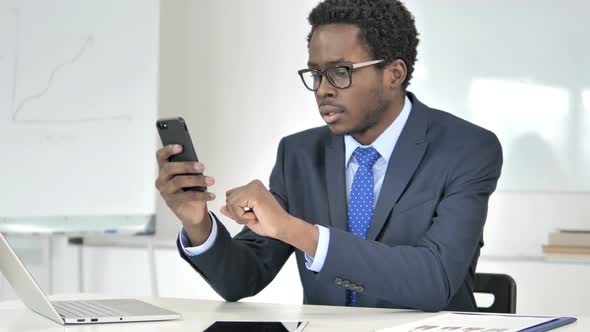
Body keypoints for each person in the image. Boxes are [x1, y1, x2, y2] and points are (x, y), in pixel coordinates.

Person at [155, 0, 502, 312]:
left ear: (394, 74)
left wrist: (297, 231)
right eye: (316, 73)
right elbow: (241, 278)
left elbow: (433, 281)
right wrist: (197, 222)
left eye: (340, 72)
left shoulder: (466, 149)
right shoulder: (299, 155)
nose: (322, 88)